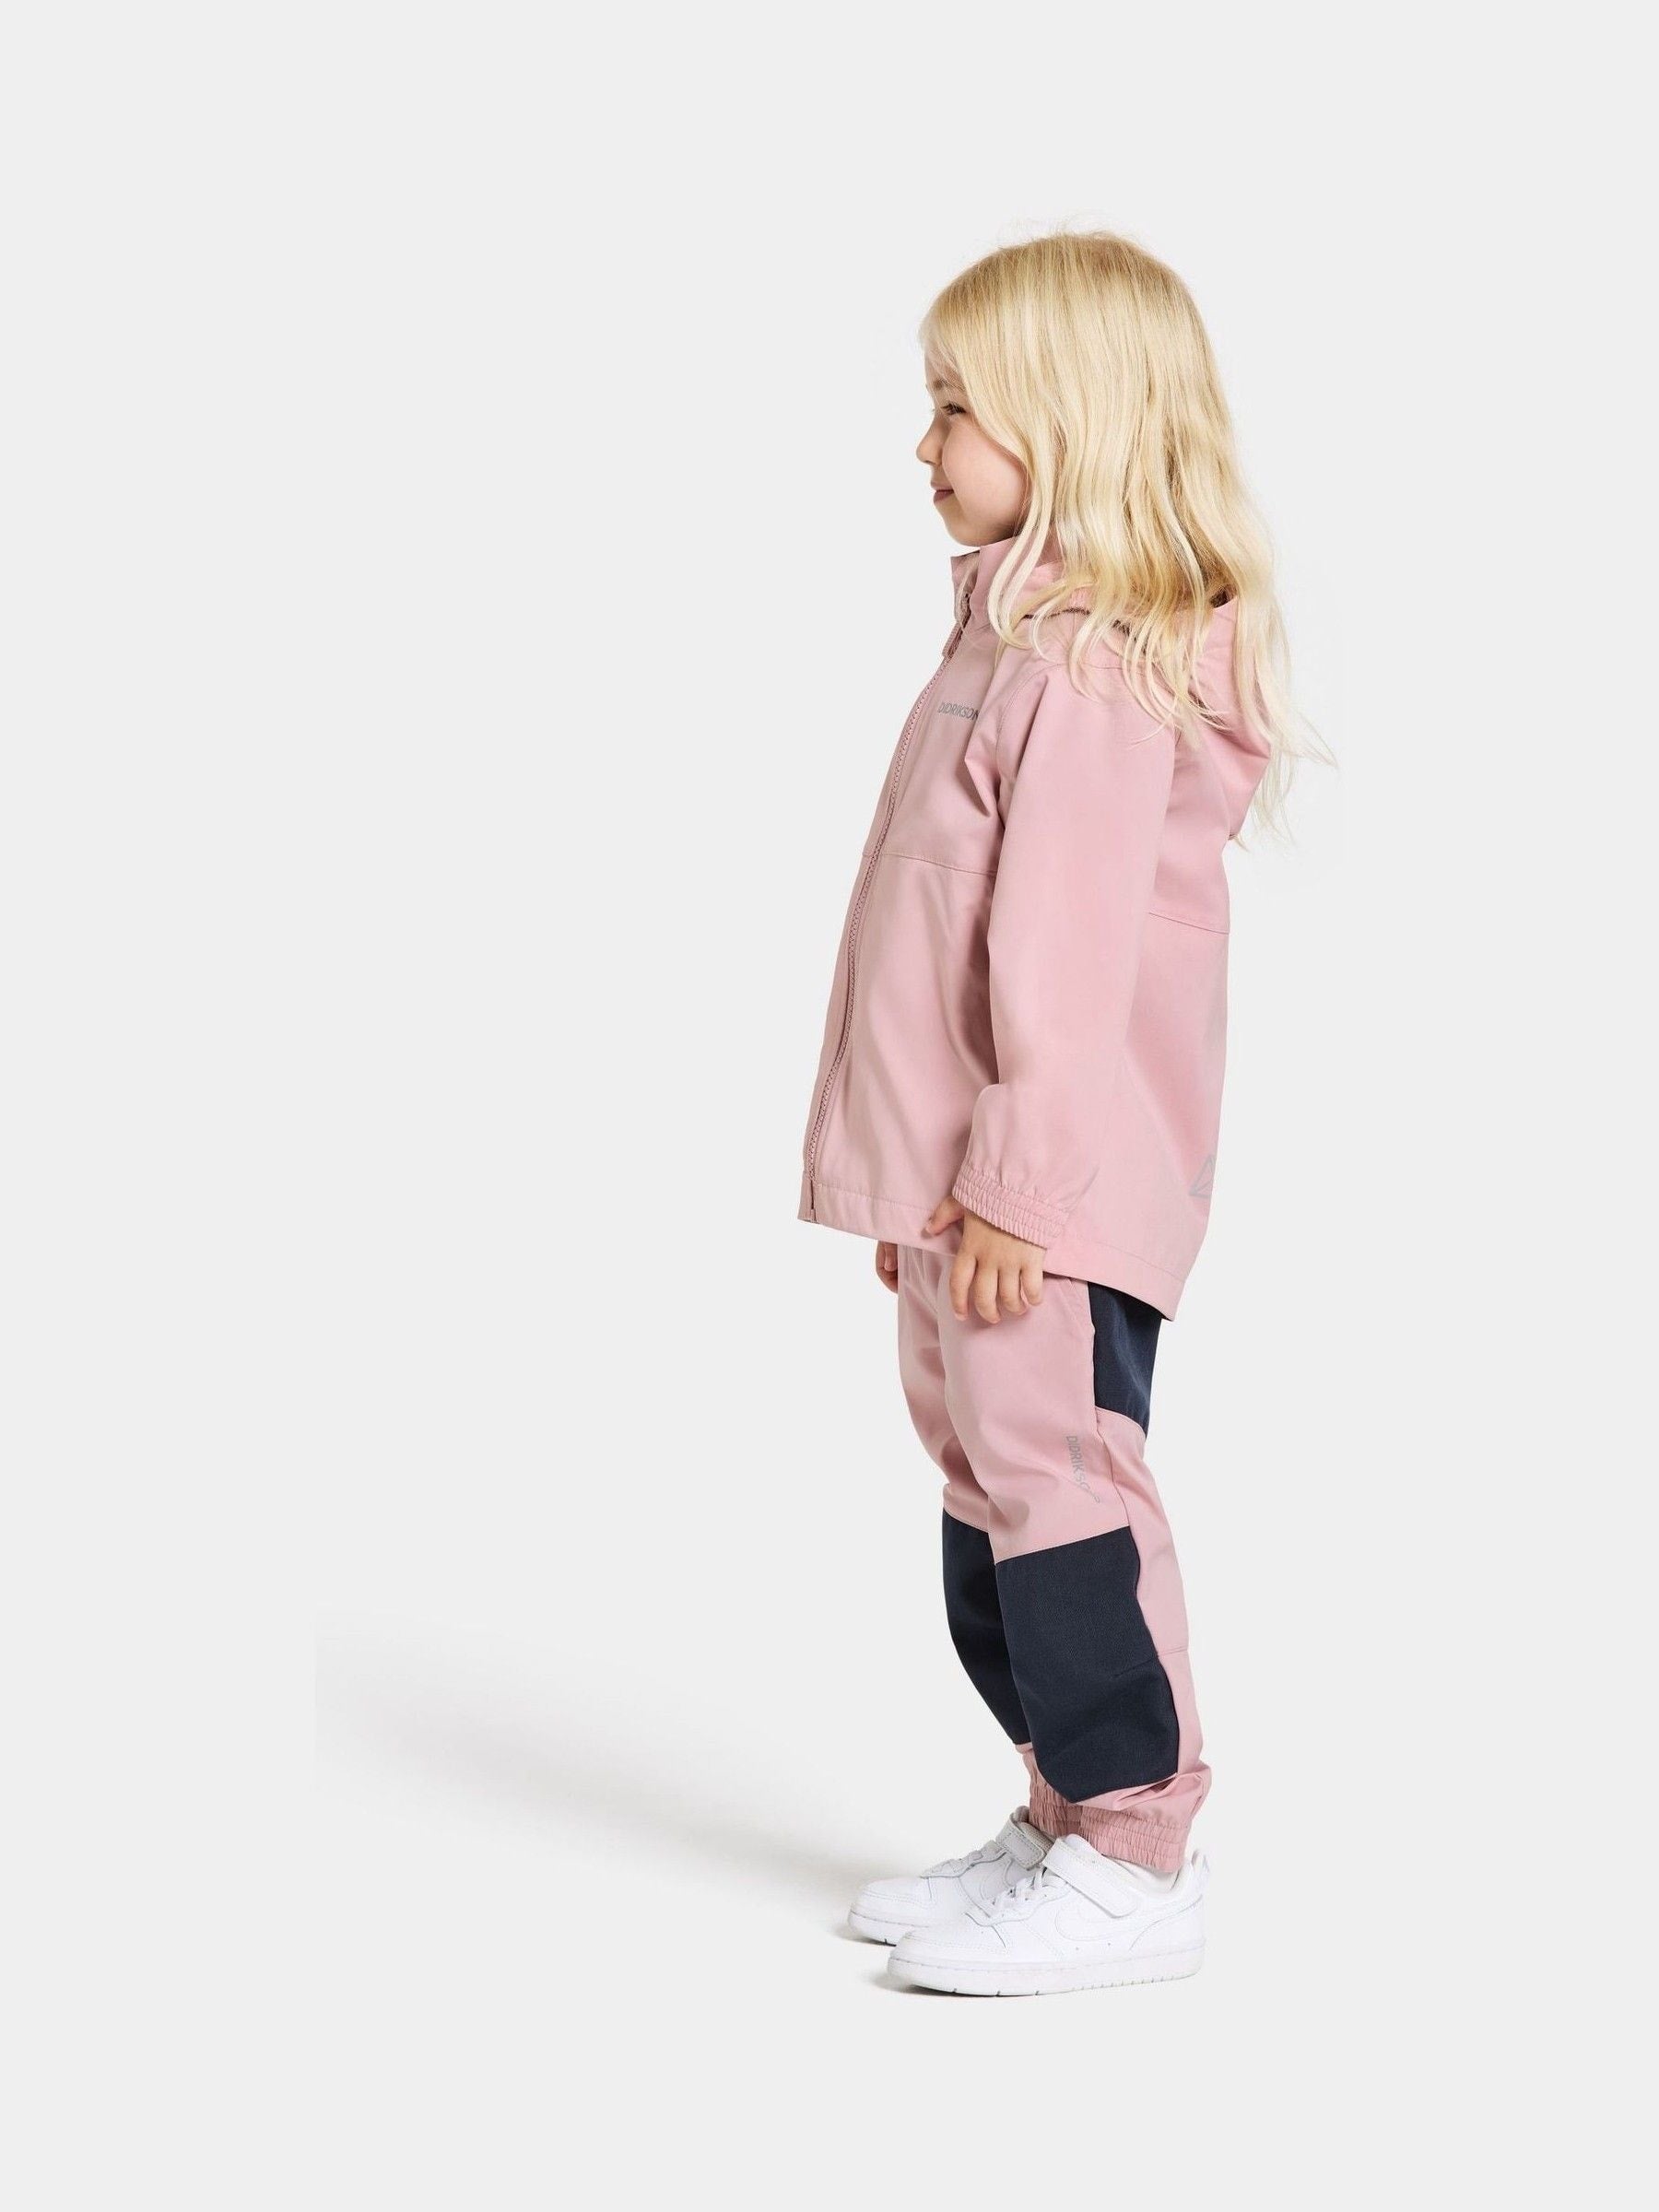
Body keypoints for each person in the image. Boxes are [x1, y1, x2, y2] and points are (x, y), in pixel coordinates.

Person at [796, 230, 1314, 1996]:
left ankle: (1138, 1847)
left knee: (1061, 1485)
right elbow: (930, 947)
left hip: (1048, 1195)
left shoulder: (1093, 667)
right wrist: (912, 1188)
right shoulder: (1006, 640)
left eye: (956, 406)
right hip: (970, 1193)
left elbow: (1062, 963)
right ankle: (1061, 1816)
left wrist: (1016, 1186)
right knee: (986, 1483)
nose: (923, 442)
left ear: (1068, 421)